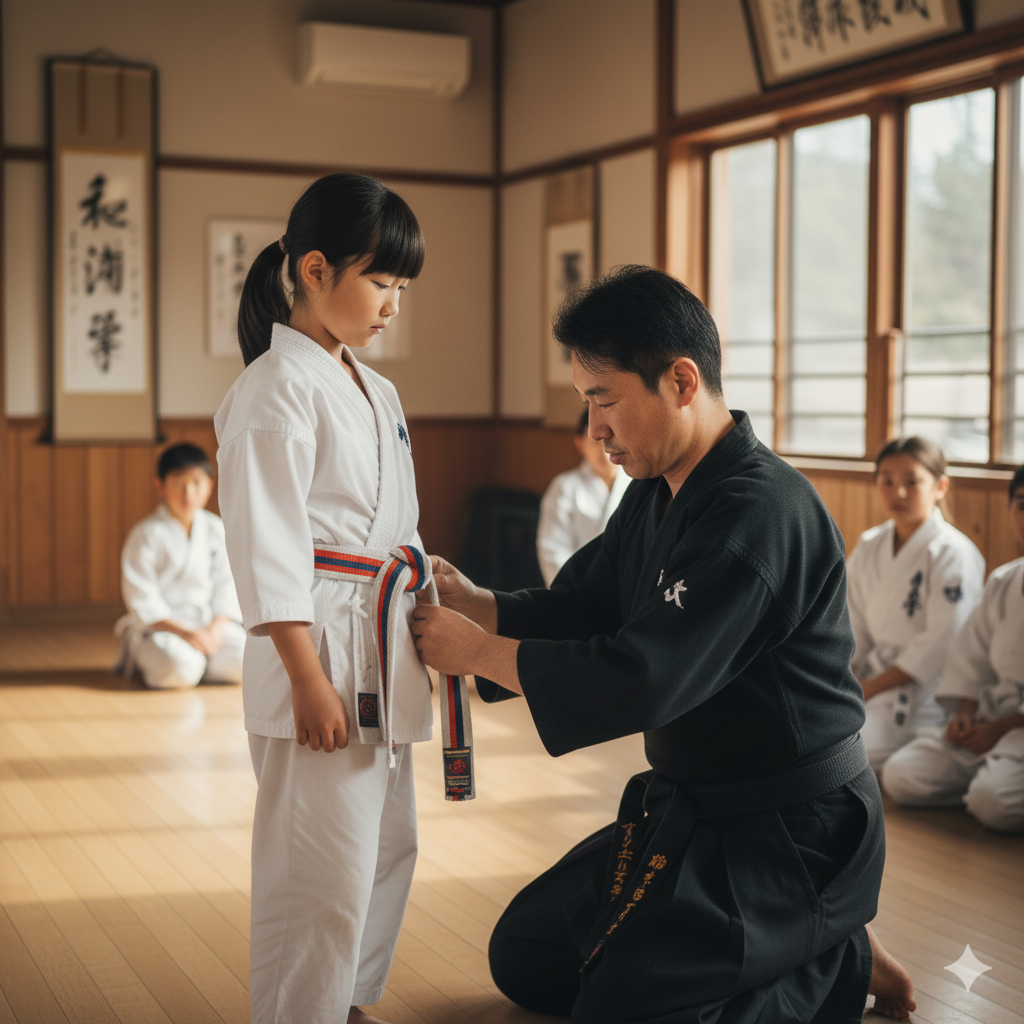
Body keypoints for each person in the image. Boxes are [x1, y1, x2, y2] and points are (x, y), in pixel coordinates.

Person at [411, 265, 915, 1023]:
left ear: (681, 380)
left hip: (793, 834)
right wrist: (480, 606)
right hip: (693, 811)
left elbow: (642, 675)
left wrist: (479, 653)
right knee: (527, 952)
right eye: (587, 404)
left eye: (604, 401)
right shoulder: (657, 489)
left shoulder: (761, 513)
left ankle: (835, 954)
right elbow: (588, 605)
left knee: (623, 1011)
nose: (595, 431)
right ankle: (800, 942)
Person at [214, 174, 429, 1024]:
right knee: (318, 864)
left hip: (382, 639)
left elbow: (392, 523)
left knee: (383, 847)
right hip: (319, 652)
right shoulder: (275, 387)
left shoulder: (376, 390)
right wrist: (306, 677)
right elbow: (265, 547)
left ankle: (346, 1003)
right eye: (380, 282)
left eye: (402, 289)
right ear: (312, 269)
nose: (391, 306)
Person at [882, 464, 1024, 833]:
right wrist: (966, 709)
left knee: (993, 803)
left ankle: (988, 784)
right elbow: (972, 656)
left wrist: (1001, 727)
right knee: (900, 775)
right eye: (1022, 505)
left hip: (1015, 726)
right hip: (987, 718)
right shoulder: (1006, 581)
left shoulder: (951, 551)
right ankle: (984, 777)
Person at [846, 437, 985, 773]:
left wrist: (871, 688)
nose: (899, 493)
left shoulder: (953, 553)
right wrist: (847, 680)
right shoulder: (870, 546)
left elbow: (942, 640)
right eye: (888, 481)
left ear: (940, 486)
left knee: (841, 754)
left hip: (922, 693)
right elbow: (851, 621)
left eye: (912, 481)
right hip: (868, 681)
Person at [116, 442, 245, 689]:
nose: (188, 492)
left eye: (197, 482)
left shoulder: (216, 529)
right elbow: (142, 598)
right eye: (178, 482)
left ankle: (201, 663)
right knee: (179, 664)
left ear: (209, 486)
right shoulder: (146, 535)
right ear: (160, 485)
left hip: (209, 627)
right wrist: (187, 634)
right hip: (162, 631)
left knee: (251, 657)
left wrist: (215, 629)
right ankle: (192, 664)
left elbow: (228, 585)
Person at [536, 406, 630, 585]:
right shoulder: (564, 487)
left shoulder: (640, 483)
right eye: (596, 442)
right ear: (580, 443)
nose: (605, 451)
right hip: (580, 592)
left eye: (611, 441)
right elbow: (553, 551)